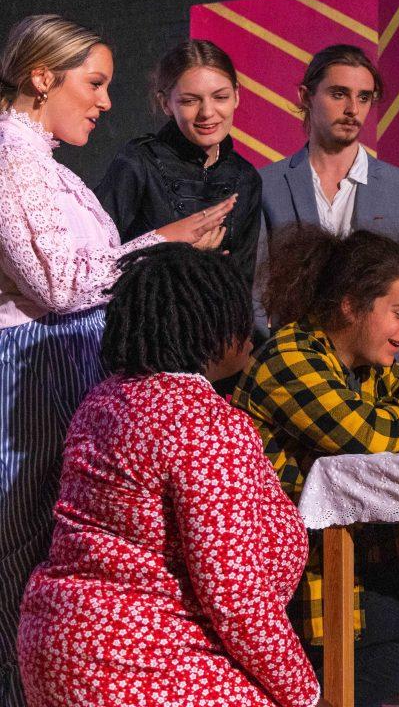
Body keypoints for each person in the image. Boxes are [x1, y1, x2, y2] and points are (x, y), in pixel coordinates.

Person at [0, 14, 231, 707]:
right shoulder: (10, 157)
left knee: (42, 559)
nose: (105, 101)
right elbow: (59, 281)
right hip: (28, 375)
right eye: (93, 83)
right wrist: (164, 239)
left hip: (59, 368)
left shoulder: (41, 165)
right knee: (19, 561)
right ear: (42, 77)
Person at [18, 244, 320, 707]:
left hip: (62, 645)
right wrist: (303, 691)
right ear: (213, 326)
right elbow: (233, 593)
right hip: (147, 659)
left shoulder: (104, 401)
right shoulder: (202, 421)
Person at [233, 225, 399, 707]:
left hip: (355, 565)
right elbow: (368, 438)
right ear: (350, 305)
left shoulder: (369, 370)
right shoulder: (290, 357)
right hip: (291, 578)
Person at [258, 44, 399, 374]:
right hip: (294, 369)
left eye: (364, 97)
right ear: (306, 96)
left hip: (379, 372)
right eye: (339, 94)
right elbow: (255, 292)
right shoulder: (267, 185)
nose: (353, 109)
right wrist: (270, 367)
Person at [94, 39, 262, 289]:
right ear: (165, 103)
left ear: (236, 96)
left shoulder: (246, 177)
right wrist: (182, 258)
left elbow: (244, 282)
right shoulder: (138, 162)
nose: (207, 112)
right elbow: (93, 264)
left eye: (220, 97)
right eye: (190, 101)